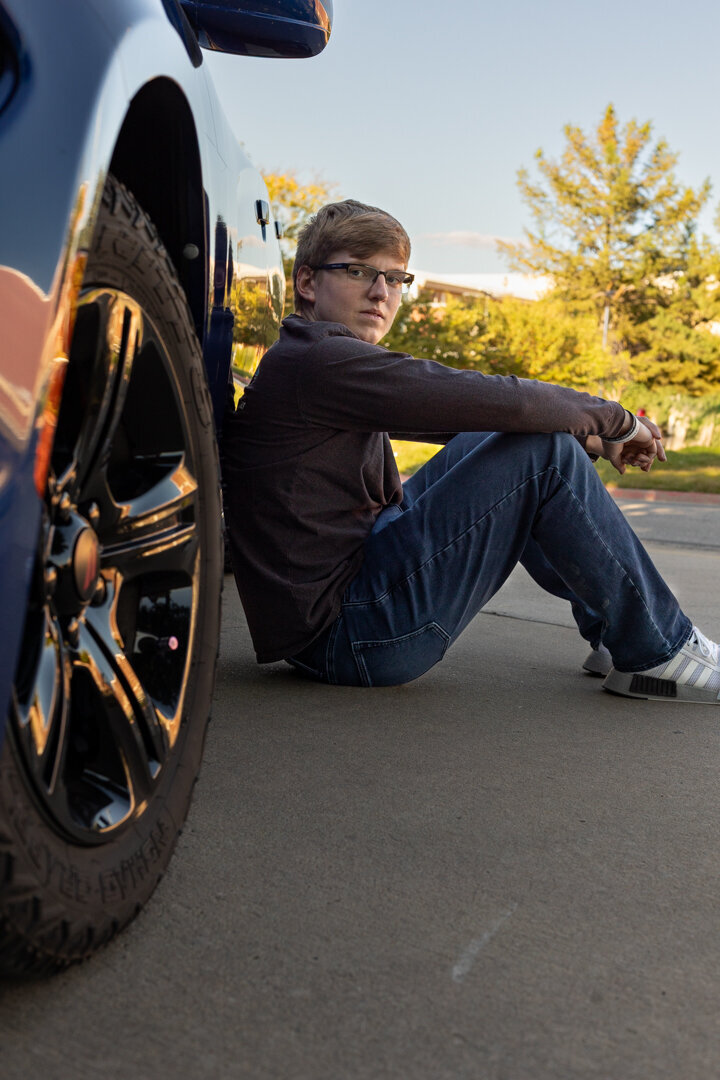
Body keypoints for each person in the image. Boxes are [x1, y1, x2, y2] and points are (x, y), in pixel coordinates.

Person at [221, 199, 720, 704]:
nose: (381, 292)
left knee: (502, 440)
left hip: (347, 612)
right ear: (307, 282)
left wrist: (593, 440)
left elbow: (472, 422)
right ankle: (659, 650)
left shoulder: (311, 361)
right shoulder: (321, 362)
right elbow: (508, 402)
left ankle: (622, 632)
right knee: (539, 451)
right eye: (358, 271)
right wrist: (619, 421)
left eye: (396, 279)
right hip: (351, 636)